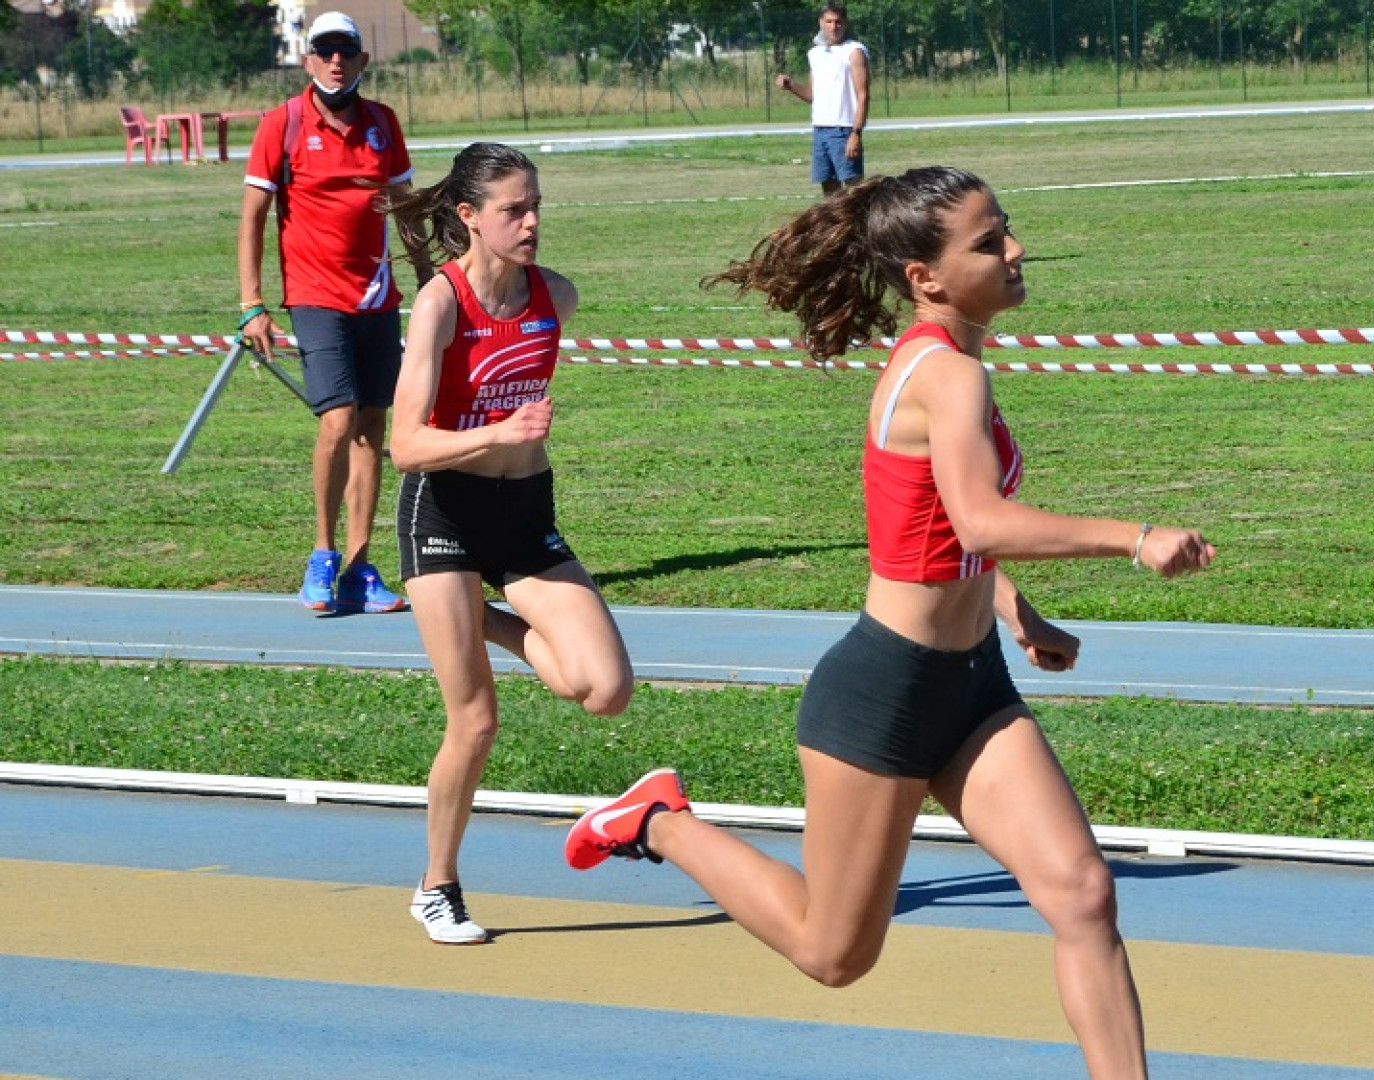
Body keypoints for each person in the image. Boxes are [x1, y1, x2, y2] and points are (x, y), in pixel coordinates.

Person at [565, 166, 1215, 1079]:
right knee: (835, 955)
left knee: (1083, 894)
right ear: (926, 278)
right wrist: (1133, 537)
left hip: (972, 682)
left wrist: (1017, 613)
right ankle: (659, 820)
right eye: (989, 243)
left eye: (1008, 229)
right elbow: (983, 520)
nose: (1016, 250)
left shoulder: (951, 362)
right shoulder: (944, 375)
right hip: (885, 693)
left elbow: (937, 531)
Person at [385, 143, 635, 944]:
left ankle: (479, 618)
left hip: (525, 514)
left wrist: (512, 444)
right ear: (468, 217)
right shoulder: (439, 302)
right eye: (512, 210)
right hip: (445, 514)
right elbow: (406, 445)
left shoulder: (553, 295)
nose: (531, 222)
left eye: (536, 206)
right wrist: (495, 430)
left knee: (604, 688)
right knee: (477, 720)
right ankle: (438, 885)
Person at [238, 11, 433, 615]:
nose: (335, 61)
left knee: (375, 428)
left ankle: (359, 565)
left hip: (377, 297)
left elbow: (406, 208)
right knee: (337, 419)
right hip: (315, 297)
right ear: (308, 59)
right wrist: (252, 304)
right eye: (324, 51)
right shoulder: (284, 124)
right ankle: (321, 556)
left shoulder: (382, 122)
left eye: (345, 50)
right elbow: (252, 218)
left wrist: (430, 280)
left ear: (362, 59)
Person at [775, 2, 870, 196]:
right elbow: (813, 96)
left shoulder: (854, 51)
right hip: (820, 129)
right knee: (830, 192)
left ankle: (861, 226)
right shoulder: (815, 53)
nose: (833, 26)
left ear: (845, 23)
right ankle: (835, 227)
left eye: (838, 22)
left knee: (854, 191)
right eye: (829, 21)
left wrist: (856, 133)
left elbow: (863, 94)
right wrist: (791, 85)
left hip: (844, 129)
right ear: (821, 23)